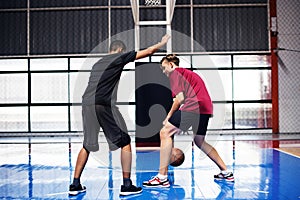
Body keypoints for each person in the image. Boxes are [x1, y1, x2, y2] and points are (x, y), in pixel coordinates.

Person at [69, 34, 171, 196]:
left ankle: (75, 184)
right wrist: (162, 43)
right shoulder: (119, 57)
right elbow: (149, 51)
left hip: (87, 104)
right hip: (101, 103)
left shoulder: (97, 63)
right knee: (125, 142)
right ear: (120, 50)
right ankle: (126, 185)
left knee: (87, 145)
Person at [143, 54, 234, 188]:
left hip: (194, 106)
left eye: (164, 68)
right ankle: (226, 172)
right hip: (206, 107)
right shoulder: (188, 74)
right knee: (199, 141)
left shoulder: (175, 74)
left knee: (165, 132)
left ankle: (162, 177)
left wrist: (168, 117)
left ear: (171, 65)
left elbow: (179, 99)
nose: (164, 71)